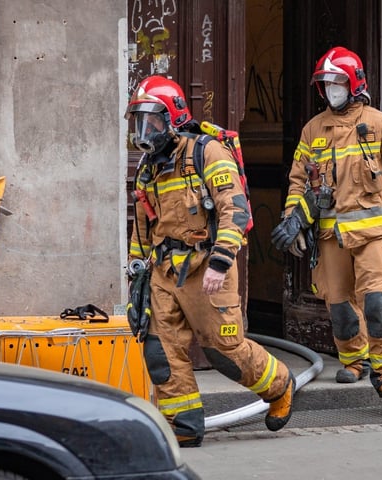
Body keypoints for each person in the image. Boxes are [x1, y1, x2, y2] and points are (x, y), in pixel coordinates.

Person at [126, 75, 295, 447]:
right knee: (160, 351)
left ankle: (281, 385)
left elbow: (234, 208)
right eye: (139, 121)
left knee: (223, 351)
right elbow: (143, 226)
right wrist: (136, 273)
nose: (145, 129)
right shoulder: (149, 167)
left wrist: (221, 262)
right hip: (164, 271)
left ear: (173, 117)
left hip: (206, 268)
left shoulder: (207, 153)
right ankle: (184, 425)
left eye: (152, 120)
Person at [271, 46, 382, 400]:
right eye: (326, 83)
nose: (331, 89)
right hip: (329, 235)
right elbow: (298, 181)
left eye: (337, 81)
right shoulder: (313, 130)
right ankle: (354, 361)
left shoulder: (379, 123)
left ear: (354, 83)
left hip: (372, 235)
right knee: (338, 305)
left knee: (376, 303)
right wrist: (293, 224)